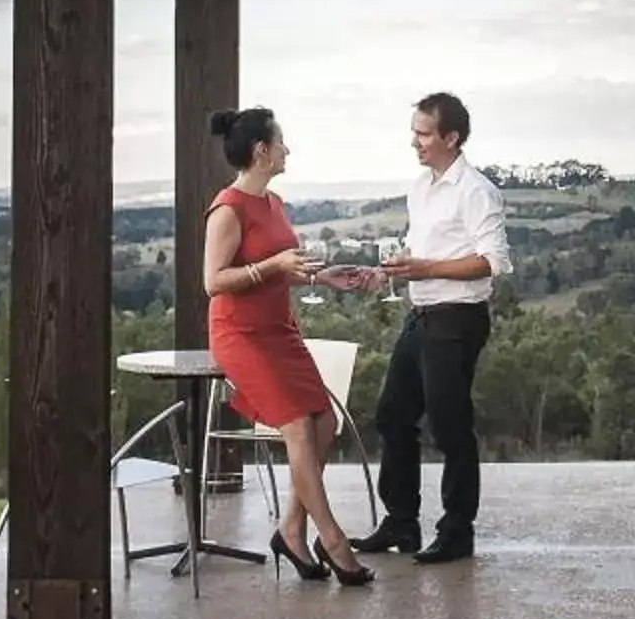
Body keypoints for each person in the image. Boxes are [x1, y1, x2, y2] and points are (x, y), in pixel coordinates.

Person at [201, 106, 373, 585]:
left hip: (279, 328)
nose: (287, 150)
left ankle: (291, 529)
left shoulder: (273, 204)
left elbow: (284, 266)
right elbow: (214, 281)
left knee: (325, 422)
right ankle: (333, 540)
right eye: (281, 142)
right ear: (262, 151)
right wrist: (273, 267)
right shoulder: (228, 208)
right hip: (241, 335)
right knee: (297, 427)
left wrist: (327, 276)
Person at [353, 91, 508, 565]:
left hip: (457, 320)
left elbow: (492, 262)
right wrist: (389, 273)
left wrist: (426, 269)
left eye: (423, 133)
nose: (415, 142)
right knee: (392, 416)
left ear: (451, 137)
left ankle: (457, 531)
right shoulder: (420, 189)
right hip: (421, 316)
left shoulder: (477, 190)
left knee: (450, 427)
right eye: (414, 132)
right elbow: (419, 255)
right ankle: (401, 522)